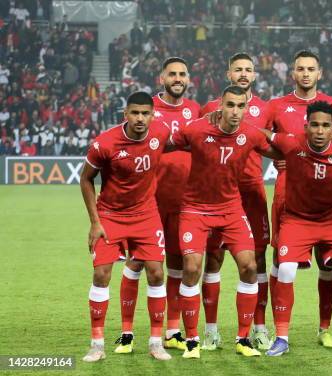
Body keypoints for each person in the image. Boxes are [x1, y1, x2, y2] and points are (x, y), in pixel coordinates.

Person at [172, 85, 281, 359]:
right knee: (193, 267)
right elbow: (162, 142)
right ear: (220, 105)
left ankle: (243, 338)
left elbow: (281, 151)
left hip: (231, 210)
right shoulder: (197, 130)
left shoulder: (251, 134)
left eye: (240, 106)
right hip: (195, 210)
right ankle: (193, 340)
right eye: (230, 105)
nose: (235, 111)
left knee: (249, 266)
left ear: (247, 107)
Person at [262, 101, 332, 357]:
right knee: (285, 269)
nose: (320, 131)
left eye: (325, 126)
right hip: (297, 220)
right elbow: (264, 135)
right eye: (315, 125)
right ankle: (282, 338)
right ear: (305, 126)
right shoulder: (291, 143)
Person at [114, 57, 200, 355]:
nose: (177, 78)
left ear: (188, 79)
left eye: (182, 74)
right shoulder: (146, 109)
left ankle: (173, 330)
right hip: (148, 202)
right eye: (172, 74)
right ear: (161, 78)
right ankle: (126, 332)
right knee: (137, 262)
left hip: (185, 201)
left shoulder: (194, 111)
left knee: (177, 265)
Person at [80, 91, 172, 362]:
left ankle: (156, 342)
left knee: (156, 274)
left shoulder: (161, 133)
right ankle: (97, 344)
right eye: (135, 113)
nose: (140, 118)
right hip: (110, 216)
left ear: (153, 115)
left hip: (146, 215)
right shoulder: (105, 143)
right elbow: (86, 180)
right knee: (102, 275)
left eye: (145, 113)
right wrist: (95, 222)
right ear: (126, 114)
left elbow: (189, 139)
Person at [266, 50, 332, 348]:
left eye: (311, 69)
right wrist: (284, 158)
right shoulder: (277, 106)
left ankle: (325, 329)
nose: (306, 73)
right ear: (293, 73)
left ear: (320, 73)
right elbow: (263, 139)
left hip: (325, 194)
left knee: (329, 262)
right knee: (281, 260)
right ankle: (276, 330)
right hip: (287, 189)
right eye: (301, 69)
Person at [198, 53, 272, 351]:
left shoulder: (267, 110)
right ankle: (211, 330)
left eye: (248, 70)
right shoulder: (209, 109)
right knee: (213, 258)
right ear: (229, 73)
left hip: (252, 193)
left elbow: (276, 143)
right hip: (217, 195)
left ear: (255, 75)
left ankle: (259, 327)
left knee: (257, 260)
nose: (243, 74)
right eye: (238, 69)